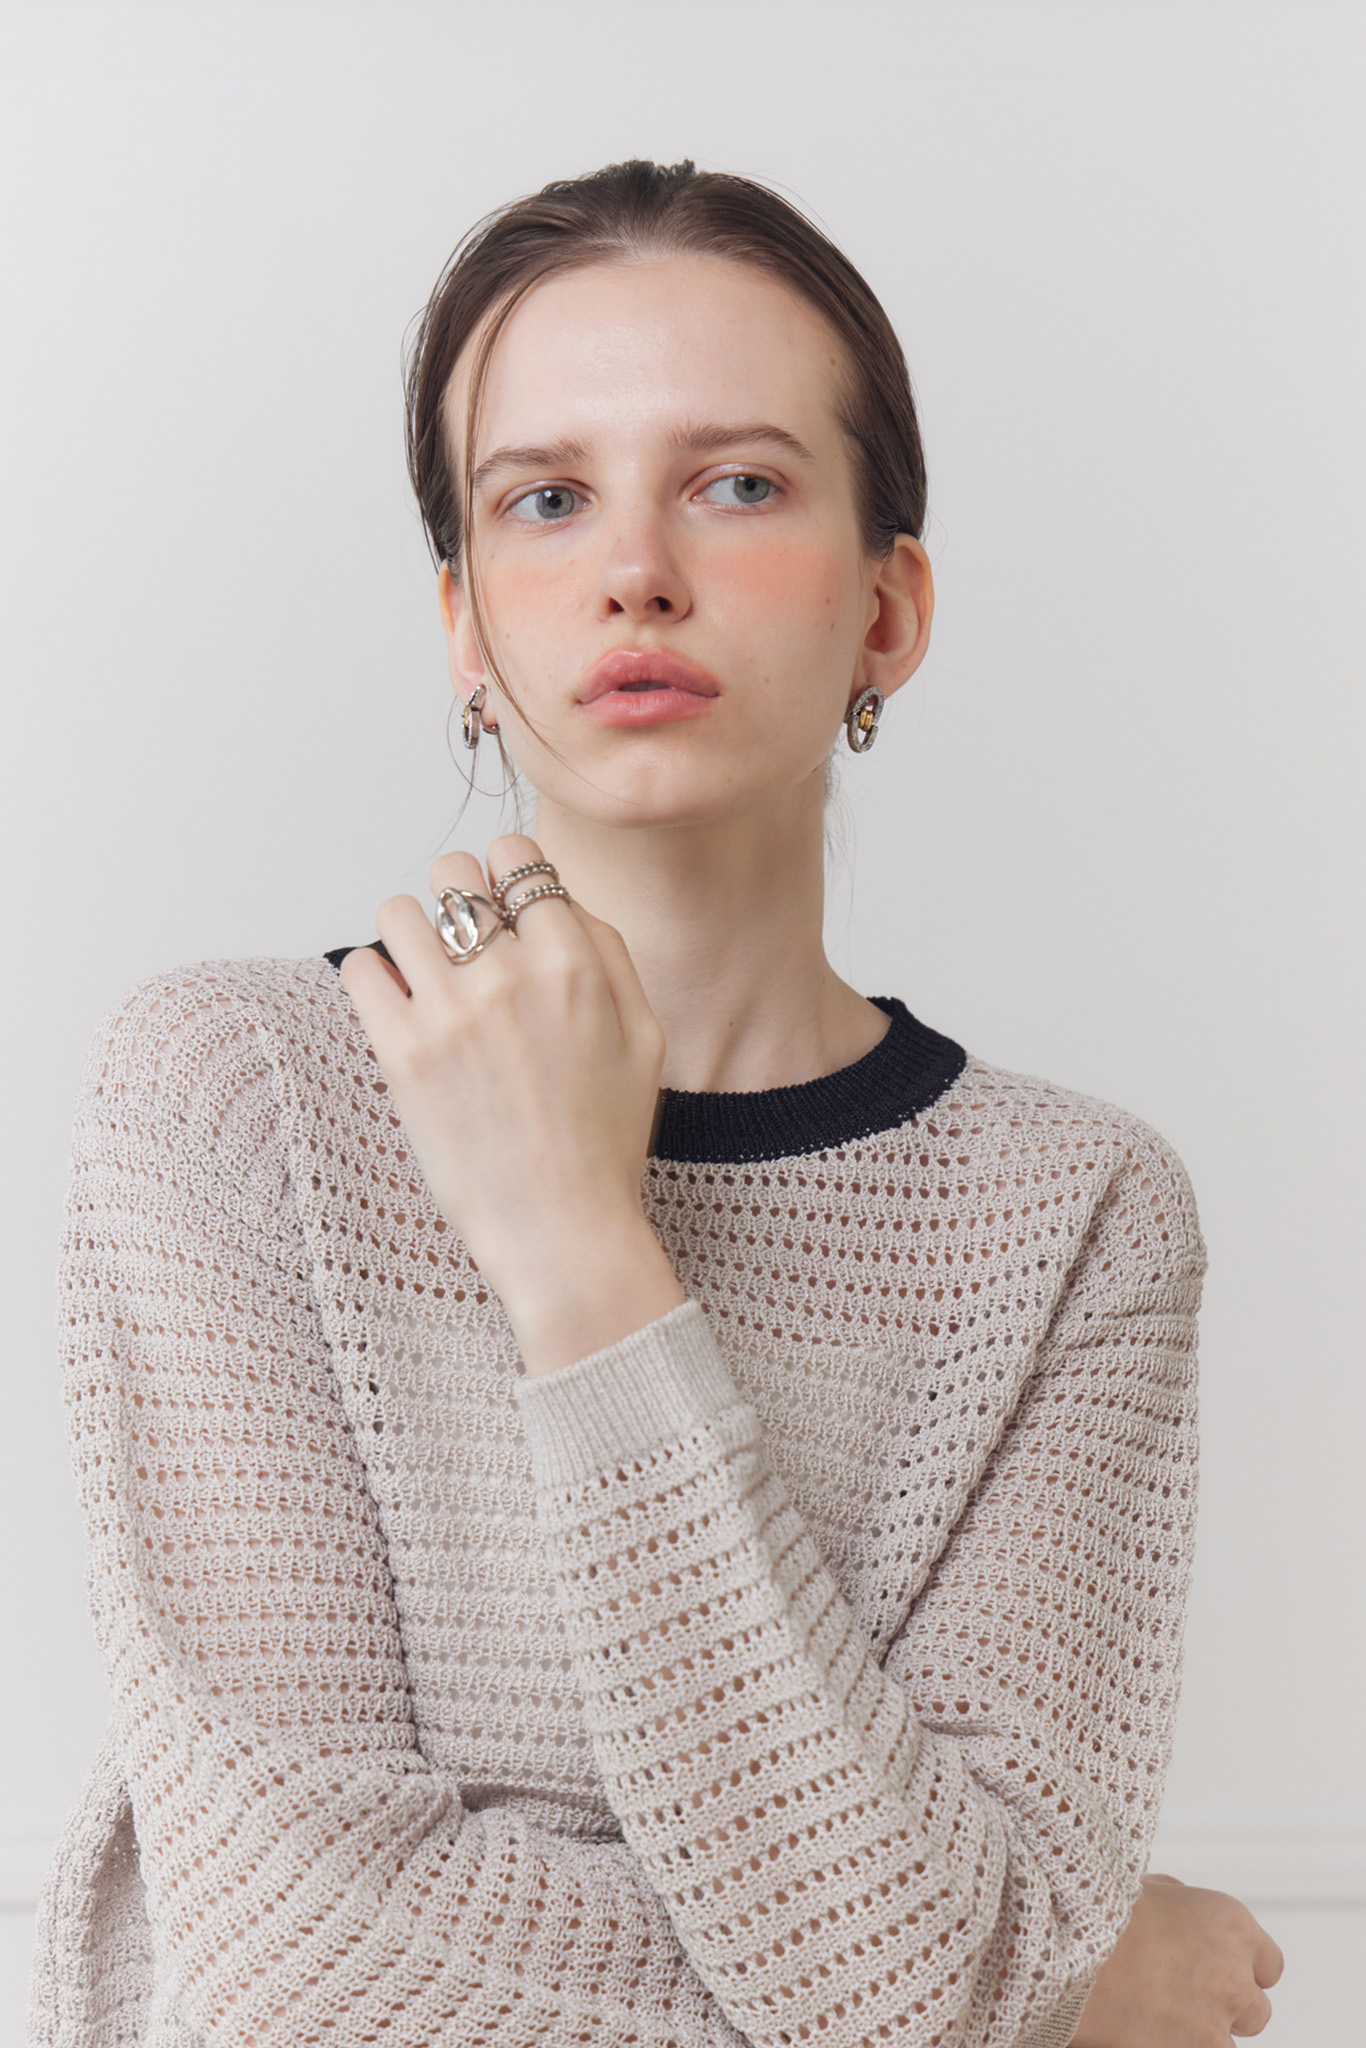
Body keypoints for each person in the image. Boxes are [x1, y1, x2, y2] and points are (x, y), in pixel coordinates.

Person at [29, 159, 1283, 2048]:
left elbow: (919, 1992)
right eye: (545, 499)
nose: (635, 569)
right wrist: (1057, 1984)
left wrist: (579, 1252)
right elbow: (309, 1968)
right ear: (465, 625)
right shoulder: (235, 1098)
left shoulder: (1076, 1216)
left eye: (738, 484)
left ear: (888, 609)